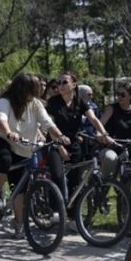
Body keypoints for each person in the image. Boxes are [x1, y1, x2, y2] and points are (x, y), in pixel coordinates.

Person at [0, 73, 70, 232]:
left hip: (22, 147)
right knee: (4, 159)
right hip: (0, 138)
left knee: (19, 187)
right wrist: (9, 132)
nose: (36, 93)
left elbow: (47, 123)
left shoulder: (35, 104)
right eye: (33, 90)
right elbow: (1, 119)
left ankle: (18, 224)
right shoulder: (5, 101)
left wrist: (61, 136)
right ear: (23, 89)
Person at [45, 71, 108, 200]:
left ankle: (73, 211)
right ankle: (55, 209)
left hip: (73, 143)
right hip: (54, 142)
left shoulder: (79, 102)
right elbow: (50, 126)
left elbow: (94, 119)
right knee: (57, 175)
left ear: (74, 85)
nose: (60, 85)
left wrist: (104, 133)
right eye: (59, 82)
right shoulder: (53, 102)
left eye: (64, 82)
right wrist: (59, 147)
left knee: (75, 178)